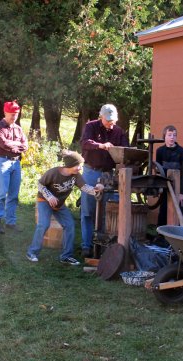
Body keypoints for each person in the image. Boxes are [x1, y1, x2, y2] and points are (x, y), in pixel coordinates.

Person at [26, 150, 104, 265]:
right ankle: (32, 252)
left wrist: (96, 190)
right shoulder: (53, 173)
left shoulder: (76, 175)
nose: (80, 168)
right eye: (78, 166)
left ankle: (66, 256)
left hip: (59, 204)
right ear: (70, 165)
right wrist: (49, 196)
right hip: (44, 201)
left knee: (69, 225)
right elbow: (40, 184)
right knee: (44, 224)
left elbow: (84, 187)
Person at [80, 104, 129, 257]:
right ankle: (86, 246)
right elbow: (84, 143)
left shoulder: (119, 131)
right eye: (108, 120)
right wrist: (101, 146)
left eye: (113, 121)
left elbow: (126, 150)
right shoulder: (91, 126)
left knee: (106, 210)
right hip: (90, 171)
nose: (110, 123)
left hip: (108, 174)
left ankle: (103, 246)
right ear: (100, 117)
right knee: (88, 210)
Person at [0, 101, 28, 234]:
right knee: (1, 193)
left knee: (13, 194)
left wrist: (14, 144)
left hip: (16, 163)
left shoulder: (18, 128)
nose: (14, 117)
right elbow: (3, 144)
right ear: (5, 112)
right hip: (2, 162)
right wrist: (16, 144)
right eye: (11, 114)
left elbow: (25, 146)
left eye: (16, 114)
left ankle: (10, 222)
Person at [156, 125, 183, 226]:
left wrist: (181, 193)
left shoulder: (182, 152)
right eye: (169, 135)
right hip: (166, 188)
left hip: (180, 189)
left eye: (174, 135)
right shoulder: (160, 151)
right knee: (163, 214)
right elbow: (158, 170)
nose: (172, 138)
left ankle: (178, 239)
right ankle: (161, 238)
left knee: (179, 215)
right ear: (164, 137)